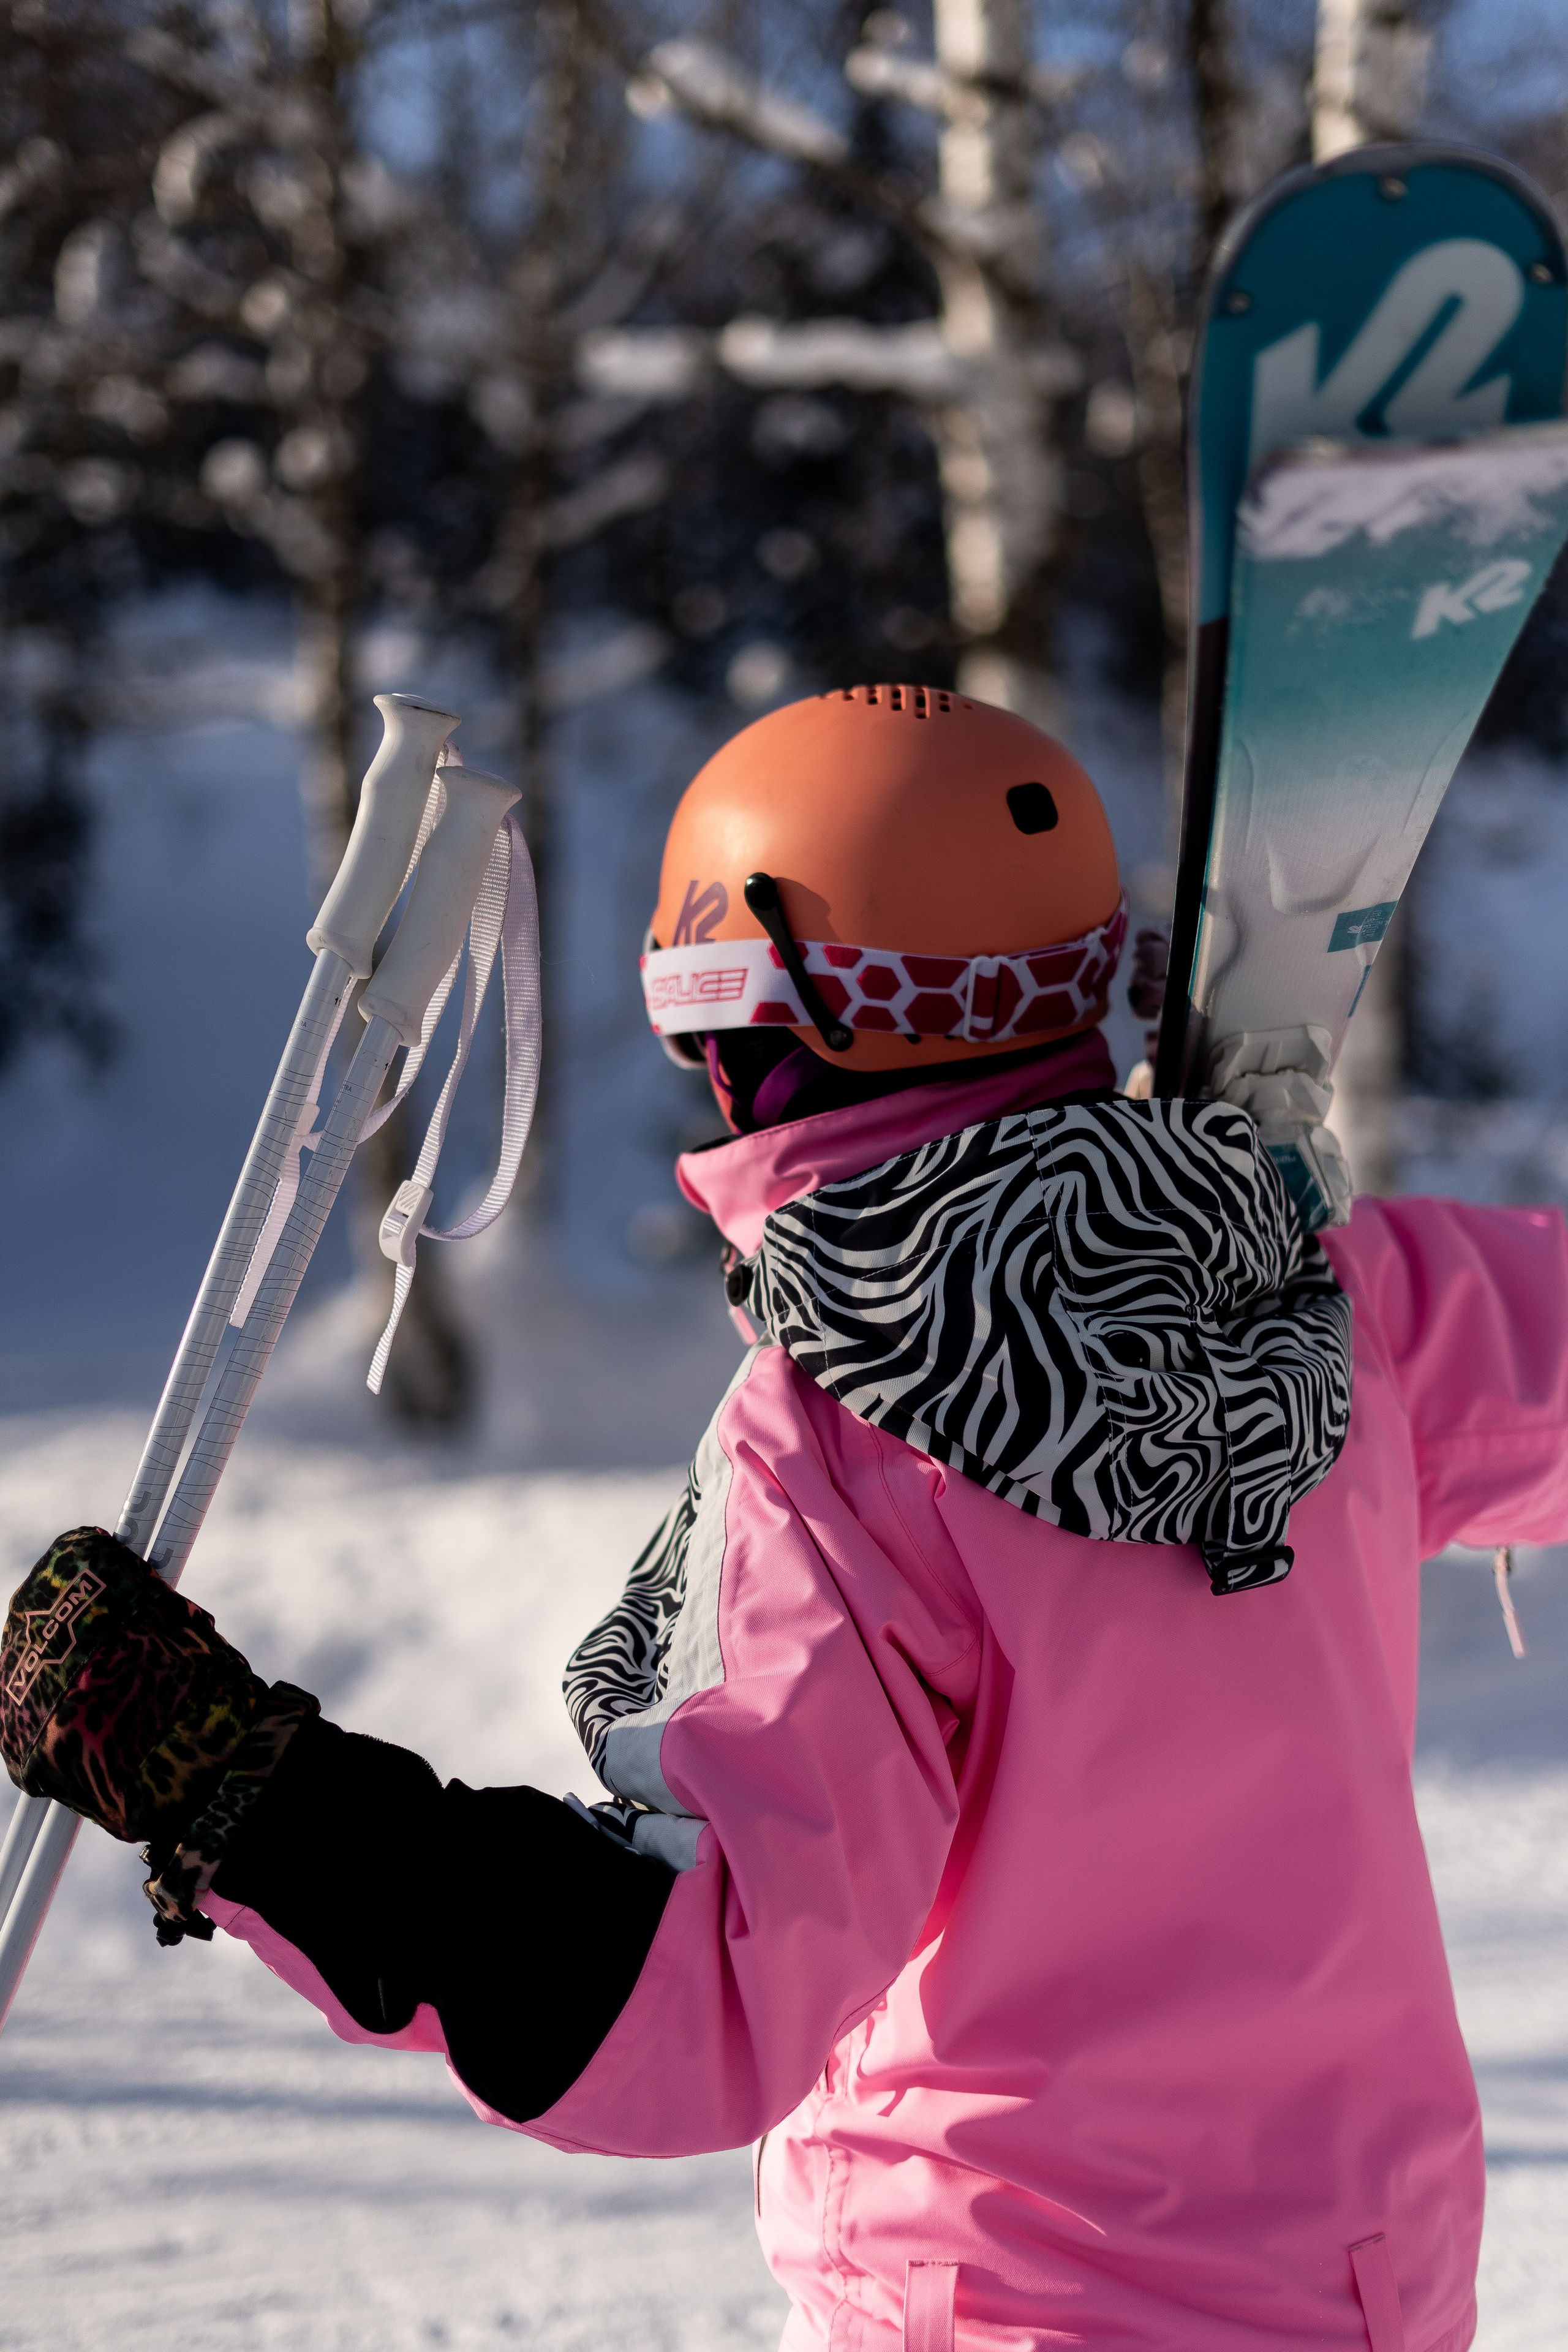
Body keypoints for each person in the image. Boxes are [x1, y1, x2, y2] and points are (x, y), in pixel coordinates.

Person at [6, 683, 1566, 2352]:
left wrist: (251, 1792)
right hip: (1368, 2293)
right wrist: (1232, 1193)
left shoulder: (843, 1450)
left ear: (752, 1024)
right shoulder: (1327, 1301)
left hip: (1010, 2300)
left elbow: (694, 1990)